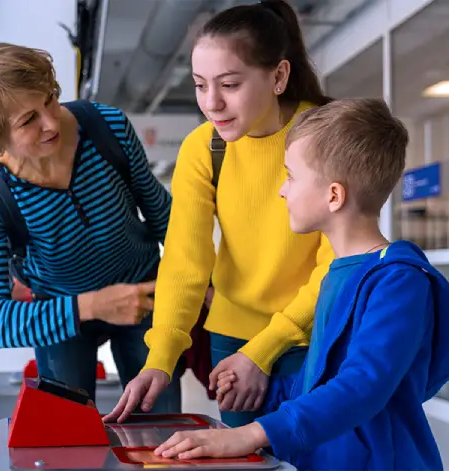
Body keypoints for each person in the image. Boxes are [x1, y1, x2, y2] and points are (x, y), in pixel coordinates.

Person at [152, 98, 449, 470]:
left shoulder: (398, 282)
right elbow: (318, 380)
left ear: (333, 195)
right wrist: (263, 391)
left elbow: (361, 386)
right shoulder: (338, 272)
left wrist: (250, 434)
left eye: (290, 176)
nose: (282, 191)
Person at [105, 0, 334, 427]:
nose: (212, 103)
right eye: (199, 85)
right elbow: (185, 261)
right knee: (244, 459)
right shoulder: (203, 148)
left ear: (279, 76)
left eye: (229, 84)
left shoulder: (324, 138)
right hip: (231, 334)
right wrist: (160, 358)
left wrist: (264, 351)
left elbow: (335, 260)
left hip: (311, 332)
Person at [0, 42, 182, 412]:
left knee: (161, 426)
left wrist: (203, 282)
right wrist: (91, 305)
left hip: (143, 289)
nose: (51, 121)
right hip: (60, 308)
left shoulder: (108, 127)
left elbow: (165, 217)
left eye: (51, 99)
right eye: (28, 120)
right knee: (68, 436)